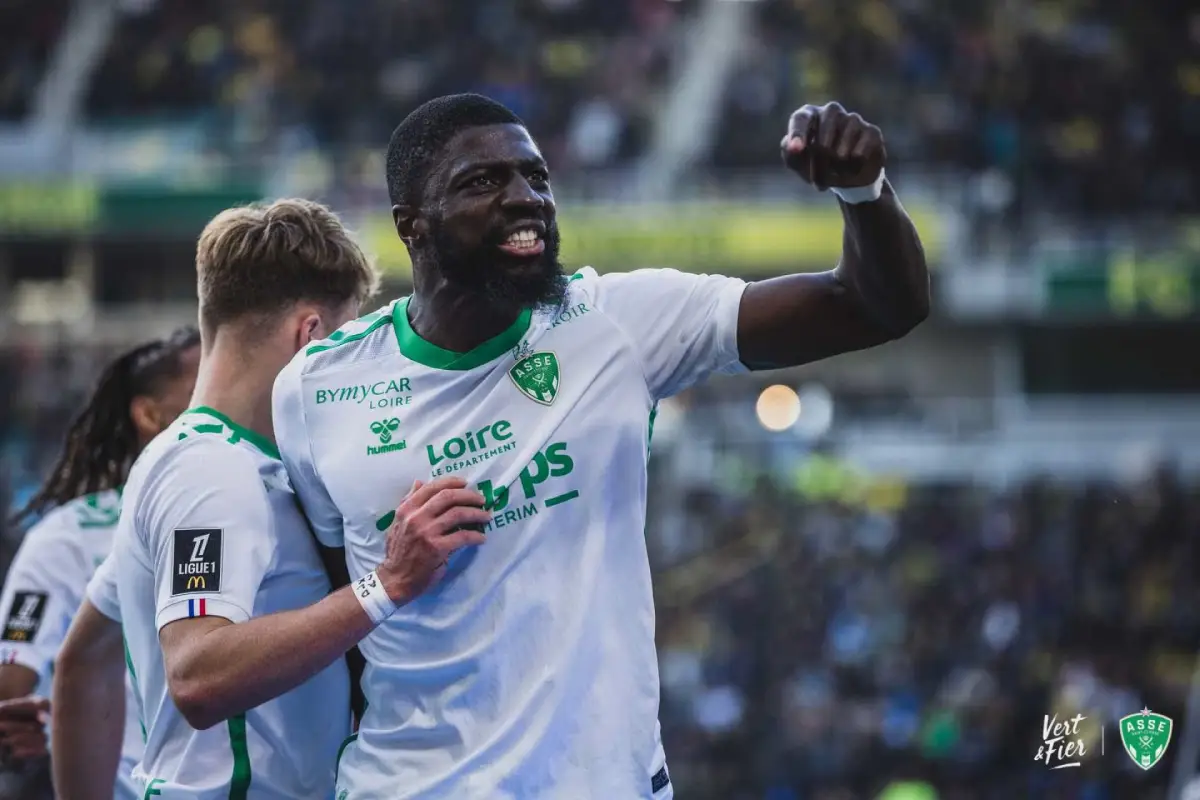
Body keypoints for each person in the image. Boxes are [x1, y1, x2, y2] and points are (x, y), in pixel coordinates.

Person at [268, 93, 929, 798]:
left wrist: (864, 192)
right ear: (412, 226)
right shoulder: (316, 388)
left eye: (536, 177)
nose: (526, 199)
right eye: (483, 182)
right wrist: (389, 579)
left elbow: (875, 305)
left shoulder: (615, 324)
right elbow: (335, 605)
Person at [50, 198, 442, 800]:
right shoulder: (215, 473)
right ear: (308, 336)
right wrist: (387, 585)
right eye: (342, 342)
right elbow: (198, 677)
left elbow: (83, 659)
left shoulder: (195, 459)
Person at [0, 328, 200, 799]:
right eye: (202, 388)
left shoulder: (279, 505)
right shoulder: (69, 538)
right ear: (150, 414)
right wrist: (12, 723)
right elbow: (12, 666)